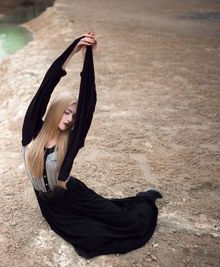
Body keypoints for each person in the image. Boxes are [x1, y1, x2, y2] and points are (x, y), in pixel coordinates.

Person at [21, 32, 162, 259]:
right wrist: (74, 49)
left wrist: (88, 57)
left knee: (130, 224)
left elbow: (88, 101)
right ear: (56, 110)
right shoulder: (31, 132)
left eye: (73, 117)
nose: (68, 119)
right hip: (53, 209)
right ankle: (132, 204)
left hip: (73, 195)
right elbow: (46, 85)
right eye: (66, 112)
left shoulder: (71, 139)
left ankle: (146, 199)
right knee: (94, 239)